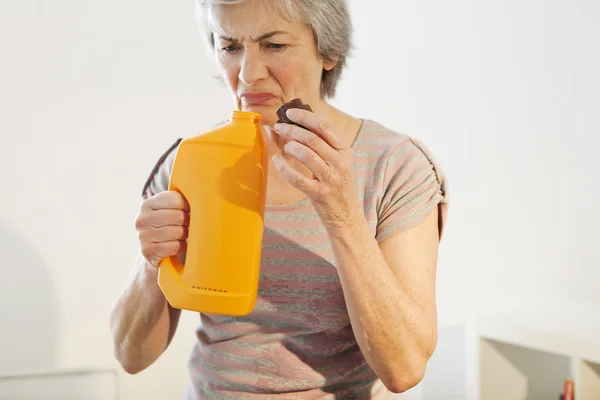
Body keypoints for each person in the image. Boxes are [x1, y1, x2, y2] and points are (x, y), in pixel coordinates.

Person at [109, 0, 449, 398]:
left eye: (274, 46)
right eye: (230, 46)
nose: (248, 74)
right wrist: (153, 263)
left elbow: (404, 368)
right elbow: (131, 356)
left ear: (328, 51)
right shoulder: (191, 161)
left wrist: (340, 213)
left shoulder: (395, 166)